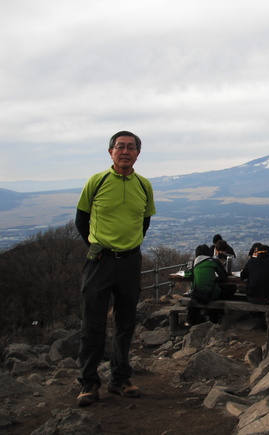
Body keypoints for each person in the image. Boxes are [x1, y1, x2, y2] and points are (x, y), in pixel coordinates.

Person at [75, 131, 156, 407]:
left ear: (138, 154)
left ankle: (120, 379)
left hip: (130, 261)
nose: (125, 151)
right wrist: (98, 246)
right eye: (120, 146)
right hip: (100, 261)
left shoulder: (144, 186)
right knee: (93, 324)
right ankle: (88, 383)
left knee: (125, 323)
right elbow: (81, 220)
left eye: (130, 147)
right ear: (110, 151)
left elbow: (144, 223)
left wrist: (129, 247)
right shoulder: (96, 182)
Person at [187, 244, 232, 325]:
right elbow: (224, 277)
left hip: (196, 295)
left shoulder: (194, 263)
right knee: (227, 291)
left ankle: (195, 321)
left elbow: (190, 276)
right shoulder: (214, 262)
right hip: (211, 295)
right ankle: (215, 320)